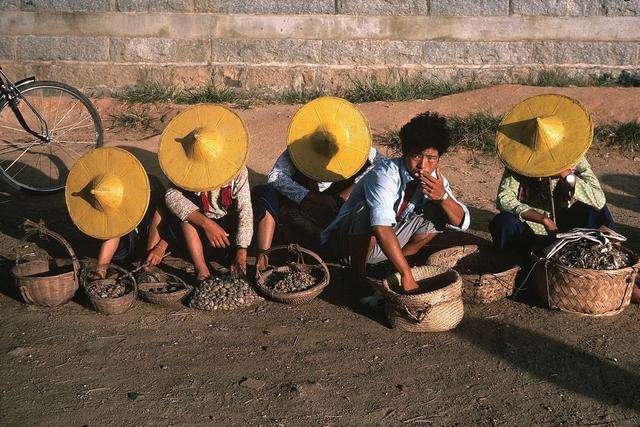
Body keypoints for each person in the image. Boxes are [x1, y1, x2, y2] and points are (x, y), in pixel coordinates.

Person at [321, 112, 470, 294]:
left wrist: (443, 197)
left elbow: (462, 223)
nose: (423, 165)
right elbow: (381, 226)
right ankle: (358, 276)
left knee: (438, 210)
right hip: (346, 247)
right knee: (365, 211)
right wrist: (408, 275)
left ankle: (393, 267)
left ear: (438, 159)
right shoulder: (384, 174)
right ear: (405, 153)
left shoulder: (436, 180)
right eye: (416, 156)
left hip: (383, 248)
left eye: (431, 158)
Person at [252, 96, 385, 267]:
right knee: (265, 194)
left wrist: (350, 190)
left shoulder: (361, 147)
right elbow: (275, 177)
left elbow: (382, 166)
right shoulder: (299, 148)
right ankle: (267, 258)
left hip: (341, 213)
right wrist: (312, 198)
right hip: (306, 210)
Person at [488, 94, 615, 254]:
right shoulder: (519, 162)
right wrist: (544, 220)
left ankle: (595, 251)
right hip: (532, 230)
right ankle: (519, 263)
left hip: (568, 227)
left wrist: (568, 177)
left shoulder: (574, 158)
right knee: (503, 222)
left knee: (595, 209)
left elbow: (599, 200)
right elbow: (504, 199)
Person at [164, 167, 253, 281]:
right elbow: (170, 196)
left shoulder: (237, 170)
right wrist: (206, 224)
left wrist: (242, 250)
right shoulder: (189, 170)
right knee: (184, 209)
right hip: (197, 239)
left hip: (227, 237)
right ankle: (202, 271)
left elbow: (244, 210)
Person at [96, 174, 171, 278]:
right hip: (126, 246)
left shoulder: (155, 195)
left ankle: (147, 263)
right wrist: (102, 267)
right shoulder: (118, 196)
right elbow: (113, 233)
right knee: (115, 220)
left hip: (150, 243)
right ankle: (101, 270)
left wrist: (160, 247)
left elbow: (172, 227)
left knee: (159, 212)